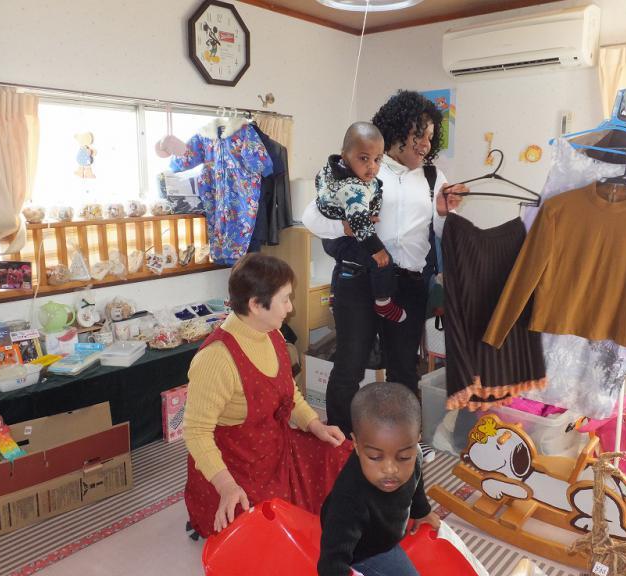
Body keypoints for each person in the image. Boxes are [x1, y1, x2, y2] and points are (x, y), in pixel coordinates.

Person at [303, 90, 467, 437]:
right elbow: (311, 218)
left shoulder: (434, 177)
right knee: (349, 365)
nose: (425, 144)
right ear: (397, 129)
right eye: (418, 134)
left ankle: (399, 441)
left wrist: (444, 212)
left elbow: (440, 233)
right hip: (358, 280)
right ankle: (340, 442)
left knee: (403, 369)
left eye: (430, 138)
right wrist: (345, 226)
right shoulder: (365, 167)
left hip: (408, 285)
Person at [183, 254, 352, 538]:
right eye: (285, 299)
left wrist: (315, 425)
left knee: (341, 455)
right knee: (269, 532)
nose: (290, 307)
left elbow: (289, 392)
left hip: (276, 446)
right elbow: (196, 432)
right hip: (237, 466)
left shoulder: (273, 334)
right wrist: (226, 486)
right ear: (255, 305)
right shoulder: (216, 359)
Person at [317, 382, 440, 576]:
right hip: (365, 546)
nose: (390, 469)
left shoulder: (415, 455)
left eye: (403, 457)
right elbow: (332, 561)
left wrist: (421, 511)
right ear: (356, 444)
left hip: (386, 525)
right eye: (375, 457)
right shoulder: (349, 500)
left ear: (416, 442)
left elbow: (416, 481)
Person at [315, 122, 404, 322]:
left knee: (343, 261)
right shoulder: (353, 186)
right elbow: (360, 224)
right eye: (364, 158)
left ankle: (334, 297)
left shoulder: (333, 171)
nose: (372, 166)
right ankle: (383, 303)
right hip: (342, 237)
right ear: (345, 156)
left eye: (377, 159)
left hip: (332, 237)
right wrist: (377, 250)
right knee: (382, 262)